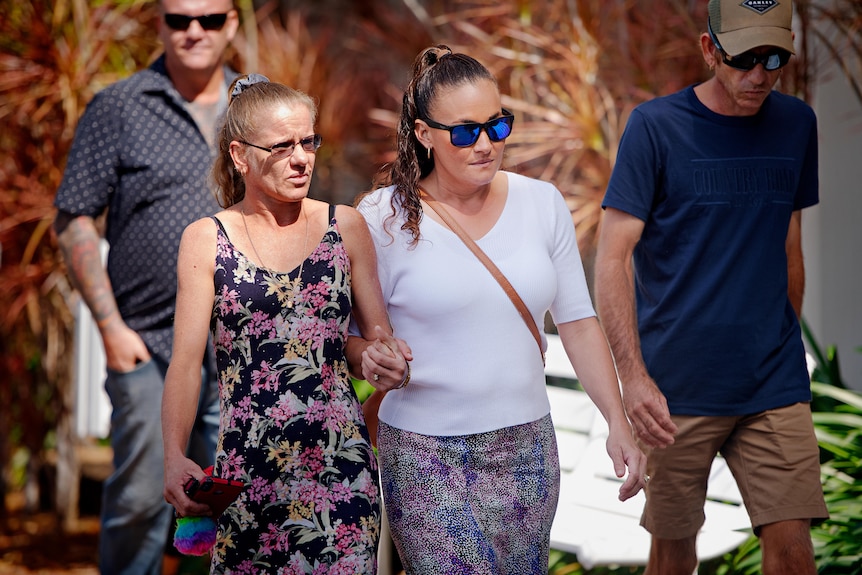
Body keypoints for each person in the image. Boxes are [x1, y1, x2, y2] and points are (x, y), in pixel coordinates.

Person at [348, 45, 646, 575]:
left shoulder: (542, 202)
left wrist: (616, 420)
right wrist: (372, 358)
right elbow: (351, 338)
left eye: (497, 126)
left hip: (527, 447)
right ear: (424, 134)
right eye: (465, 132)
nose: (486, 144)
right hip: (423, 451)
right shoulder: (383, 216)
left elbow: (576, 321)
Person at [594, 1, 829, 574]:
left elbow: (789, 245)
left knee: (794, 550)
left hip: (771, 382)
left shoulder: (798, 124)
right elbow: (612, 259)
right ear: (709, 50)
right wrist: (635, 379)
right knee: (674, 556)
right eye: (744, 58)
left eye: (774, 58)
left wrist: (779, 341)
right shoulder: (655, 127)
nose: (759, 75)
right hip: (675, 391)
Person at [161, 74, 408, 574]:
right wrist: (172, 455)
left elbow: (367, 345)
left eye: (308, 141)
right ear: (239, 155)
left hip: (341, 468)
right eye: (281, 146)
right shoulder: (205, 239)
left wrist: (383, 359)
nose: (301, 158)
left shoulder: (347, 227)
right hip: (248, 475)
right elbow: (186, 363)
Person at [53, 1, 239, 573]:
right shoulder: (119, 106)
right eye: (179, 19)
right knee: (139, 498)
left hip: (240, 345)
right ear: (159, 25)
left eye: (209, 19)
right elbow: (74, 216)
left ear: (232, 23)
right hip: (148, 344)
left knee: (226, 502)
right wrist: (111, 329)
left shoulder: (256, 108)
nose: (193, 31)